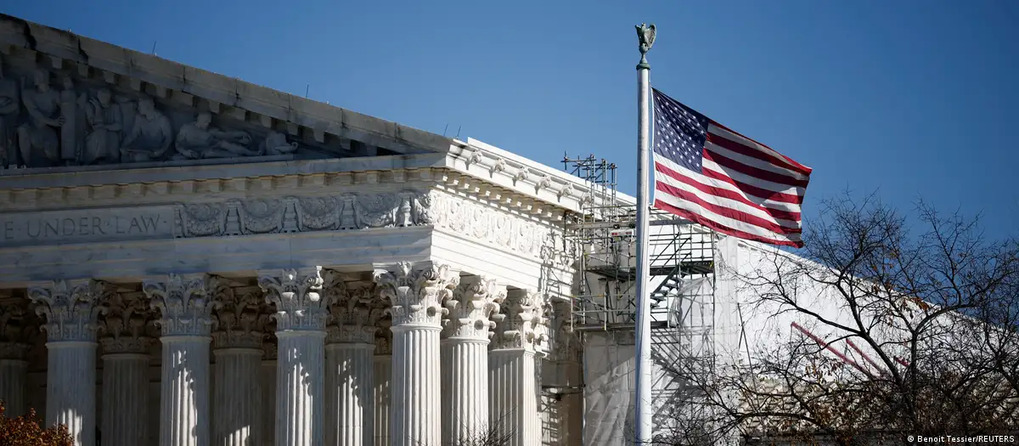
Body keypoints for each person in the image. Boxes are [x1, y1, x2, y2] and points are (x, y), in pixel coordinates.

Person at [17, 69, 62, 166]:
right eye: (38, 77)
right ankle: (26, 165)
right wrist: (53, 122)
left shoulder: (54, 94)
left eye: (43, 78)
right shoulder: (28, 93)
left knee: (51, 152)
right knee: (22, 130)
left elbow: (66, 108)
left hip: (46, 130)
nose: (41, 81)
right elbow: (34, 112)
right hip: (32, 128)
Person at [174, 111, 256, 159]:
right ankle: (237, 156)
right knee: (213, 152)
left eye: (209, 122)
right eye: (206, 121)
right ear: (199, 119)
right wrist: (186, 152)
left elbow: (226, 135)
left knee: (225, 144)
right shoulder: (186, 129)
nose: (207, 124)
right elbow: (178, 144)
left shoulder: (210, 131)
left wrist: (241, 134)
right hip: (197, 153)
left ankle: (249, 153)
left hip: (210, 148)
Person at [120, 97, 172, 162]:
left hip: (156, 152)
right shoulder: (139, 118)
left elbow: (168, 138)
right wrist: (124, 145)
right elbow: (133, 134)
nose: (138, 108)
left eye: (140, 106)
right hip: (143, 149)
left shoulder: (162, 120)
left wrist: (161, 150)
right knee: (125, 157)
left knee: (140, 158)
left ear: (148, 106)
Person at [82, 88, 123, 164]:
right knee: (100, 133)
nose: (104, 99)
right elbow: (95, 125)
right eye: (102, 97)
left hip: (110, 136)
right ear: (98, 96)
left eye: (106, 97)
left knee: (112, 136)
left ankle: (111, 159)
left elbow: (119, 125)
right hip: (93, 138)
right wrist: (98, 109)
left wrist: (105, 126)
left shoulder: (115, 107)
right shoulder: (90, 106)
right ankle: (100, 158)